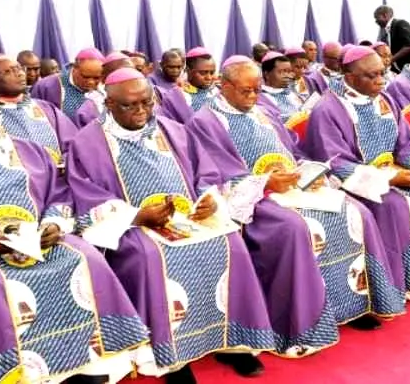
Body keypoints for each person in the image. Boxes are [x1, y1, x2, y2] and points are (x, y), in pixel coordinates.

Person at [0, 74, 149, 384]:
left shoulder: (28, 151)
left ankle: (84, 362)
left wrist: (53, 224)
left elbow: (59, 195)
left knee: (85, 258)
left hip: (34, 243)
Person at [67, 68, 277, 383]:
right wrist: (136, 216)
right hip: (129, 225)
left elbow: (205, 174)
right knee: (150, 255)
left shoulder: (172, 129)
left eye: (147, 102)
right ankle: (171, 357)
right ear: (108, 104)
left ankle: (232, 341)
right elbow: (87, 196)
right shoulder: (88, 143)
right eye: (129, 106)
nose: (141, 111)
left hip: (186, 217)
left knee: (230, 243)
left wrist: (208, 198)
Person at [187, 55, 409, 331]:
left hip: (291, 187)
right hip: (253, 200)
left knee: (355, 212)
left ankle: (352, 303)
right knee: (295, 227)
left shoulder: (263, 111)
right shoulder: (205, 121)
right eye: (247, 91)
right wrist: (265, 183)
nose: (254, 96)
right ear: (224, 85)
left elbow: (293, 151)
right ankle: (304, 322)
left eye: (257, 89)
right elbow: (218, 176)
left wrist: (308, 173)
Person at [303, 46, 410, 300]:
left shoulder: (385, 99)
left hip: (394, 174)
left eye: (381, 74)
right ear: (348, 76)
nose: (380, 81)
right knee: (394, 204)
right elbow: (335, 163)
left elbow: (405, 144)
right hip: (357, 185)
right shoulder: (328, 109)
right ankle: (400, 285)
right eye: (371, 76)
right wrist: (390, 178)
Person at [0, 54, 77, 168]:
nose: (20, 74)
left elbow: (74, 144)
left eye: (19, 68)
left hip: (59, 179)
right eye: (9, 71)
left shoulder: (45, 108)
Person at [32, 48, 105, 122]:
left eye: (96, 78)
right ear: (74, 68)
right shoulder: (46, 86)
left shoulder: (105, 89)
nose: (91, 82)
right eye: (85, 77)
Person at [74, 51, 135, 129]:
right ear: (105, 77)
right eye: (123, 74)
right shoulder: (91, 104)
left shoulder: (144, 94)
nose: (132, 77)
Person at [159, 47, 218, 124]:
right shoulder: (174, 97)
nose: (209, 77)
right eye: (203, 73)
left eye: (212, 72)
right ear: (188, 71)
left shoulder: (219, 91)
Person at [259, 52, 305, 125]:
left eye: (289, 72)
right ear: (267, 74)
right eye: (282, 72)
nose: (288, 76)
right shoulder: (262, 98)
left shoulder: (291, 93)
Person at [374, 5, 410, 72]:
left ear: (385, 15)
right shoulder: (386, 33)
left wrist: (391, 59)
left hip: (409, 69)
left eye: (376, 18)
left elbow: (409, 46)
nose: (376, 21)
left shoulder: (400, 23)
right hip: (397, 70)